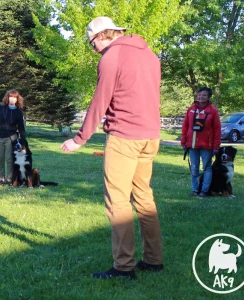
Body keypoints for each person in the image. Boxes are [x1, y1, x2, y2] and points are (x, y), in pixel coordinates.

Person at [61, 16, 163, 280]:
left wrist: (79, 138)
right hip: (150, 136)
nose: (92, 48)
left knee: (117, 201)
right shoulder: (150, 55)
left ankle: (123, 267)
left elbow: (100, 100)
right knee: (144, 198)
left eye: (91, 42)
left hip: (124, 137)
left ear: (104, 34)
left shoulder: (111, 57)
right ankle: (153, 260)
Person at [181, 87, 221, 198]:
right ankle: (195, 190)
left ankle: (204, 190)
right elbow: (185, 126)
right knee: (194, 167)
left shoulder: (213, 111)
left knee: (207, 167)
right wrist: (183, 141)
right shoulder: (191, 109)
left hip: (207, 145)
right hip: (192, 144)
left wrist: (216, 146)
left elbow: (217, 130)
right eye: (199, 95)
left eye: (204, 95)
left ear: (208, 97)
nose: (200, 97)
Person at [0, 89, 26, 185]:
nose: (12, 99)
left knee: (9, 159)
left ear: (17, 99)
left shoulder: (18, 112)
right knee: (0, 158)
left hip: (12, 138)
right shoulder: (1, 107)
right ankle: (1, 178)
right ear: (7, 97)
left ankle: (9, 179)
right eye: (11, 97)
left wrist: (23, 140)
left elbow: (21, 127)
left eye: (14, 97)